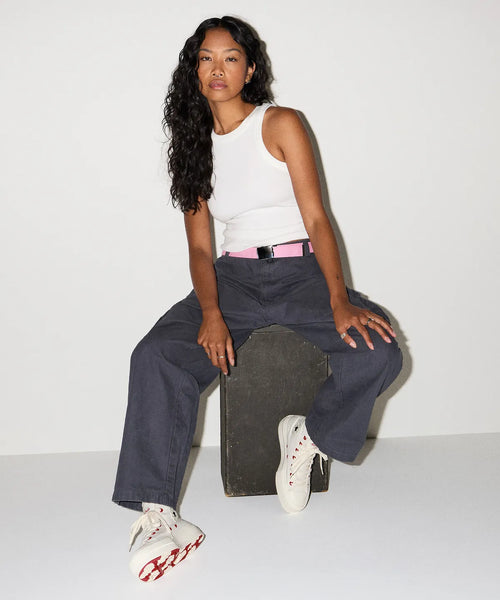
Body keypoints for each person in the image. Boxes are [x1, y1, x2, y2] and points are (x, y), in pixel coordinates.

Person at [112, 15, 403, 583]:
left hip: (301, 272)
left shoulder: (279, 123)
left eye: (230, 58)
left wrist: (338, 297)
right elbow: (201, 249)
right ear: (194, 70)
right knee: (155, 355)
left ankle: (307, 436)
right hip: (234, 281)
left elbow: (317, 218)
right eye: (206, 58)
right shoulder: (193, 148)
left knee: (380, 348)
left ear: (249, 69)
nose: (217, 68)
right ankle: (158, 514)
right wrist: (212, 312)